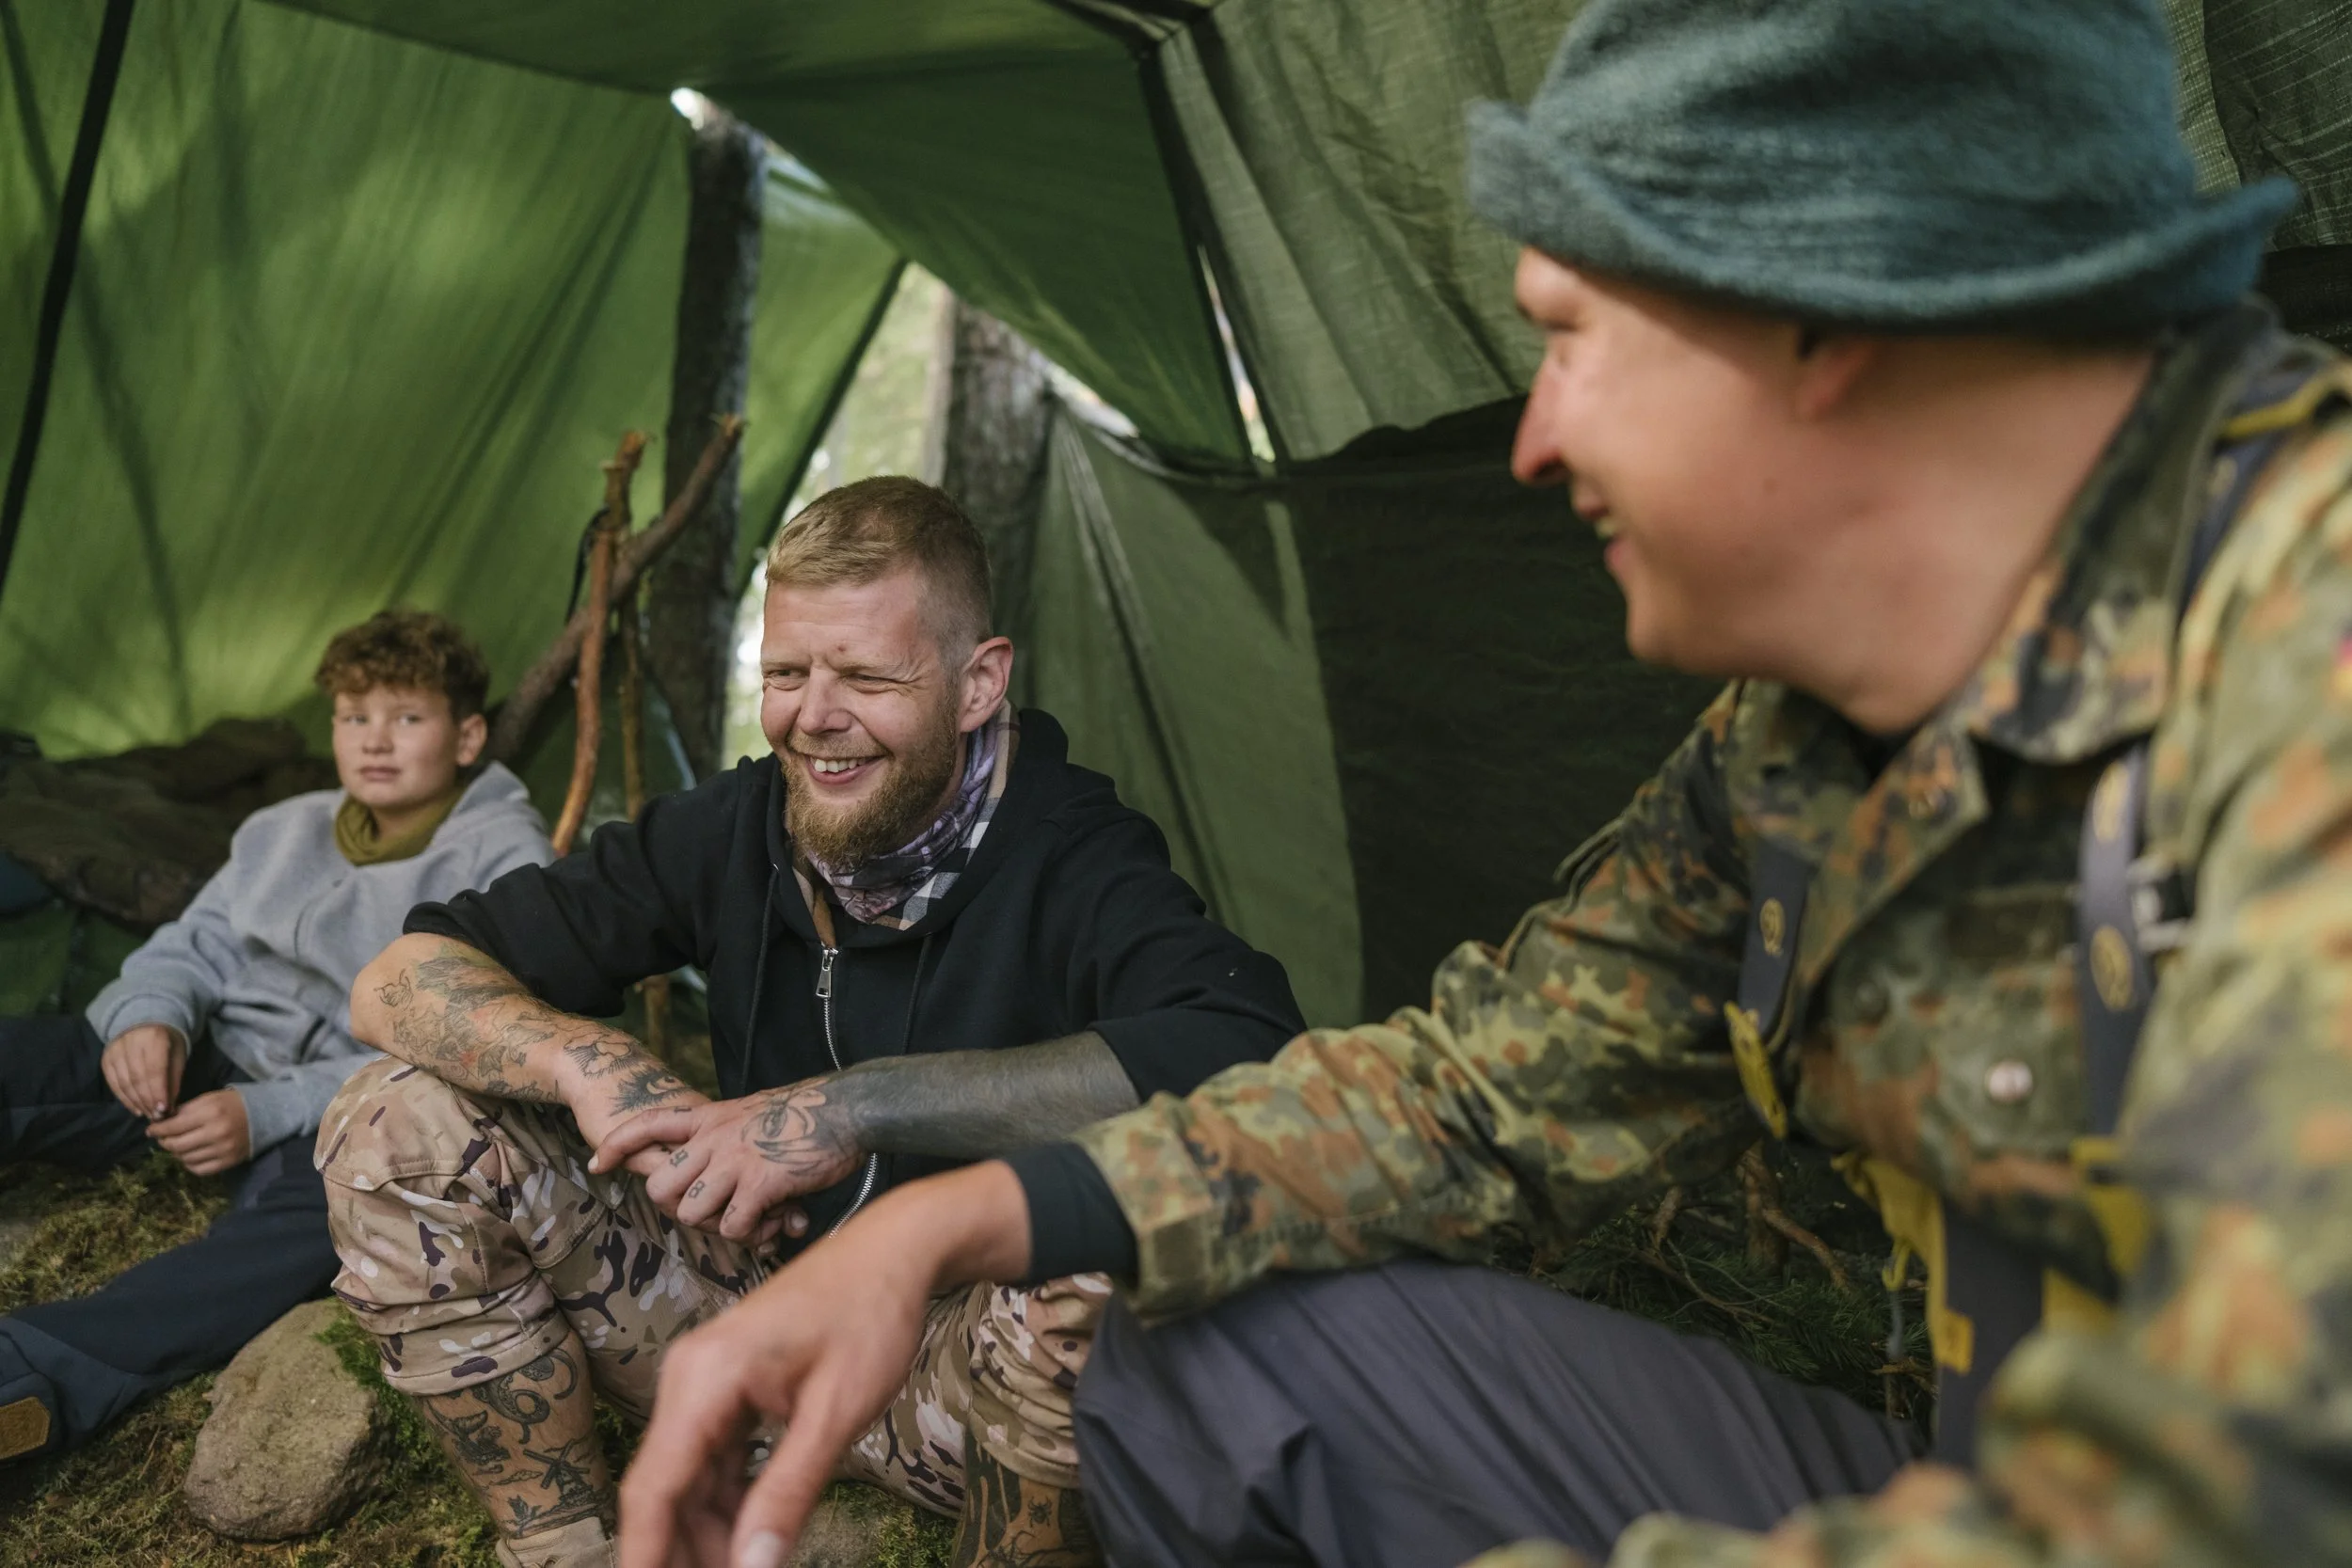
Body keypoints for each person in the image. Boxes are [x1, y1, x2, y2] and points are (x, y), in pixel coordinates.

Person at [612, 4, 2352, 1568]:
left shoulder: (2306, 668)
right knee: (1201, 1353)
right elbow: (1472, 1094)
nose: (1533, 439)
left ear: (1827, 318)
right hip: (1977, 1475)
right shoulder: (1805, 745)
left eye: (1575, 338)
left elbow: (2243, 1490)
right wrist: (958, 1219)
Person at [323, 475, 1303, 1568]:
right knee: (396, 1118)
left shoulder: (1076, 853)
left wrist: (854, 1106)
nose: (812, 715)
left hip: (961, 1371)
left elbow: (1246, 1054)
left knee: (1116, 1224)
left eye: (867, 676)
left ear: (980, 682)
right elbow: (401, 976)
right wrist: (584, 1057)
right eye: (784, 672)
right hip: (740, 1321)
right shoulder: (740, 821)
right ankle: (568, 1546)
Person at [0, 609, 550, 1463]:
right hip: (204, 1053)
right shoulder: (281, 827)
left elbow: (451, 1041)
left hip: (348, 1105)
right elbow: (195, 942)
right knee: (28, 1052)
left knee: (314, 1228)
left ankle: (32, 1374)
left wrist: (264, 1110)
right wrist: (152, 1016)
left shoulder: (504, 859)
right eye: (352, 716)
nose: (375, 740)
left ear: (468, 733)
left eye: (407, 717)